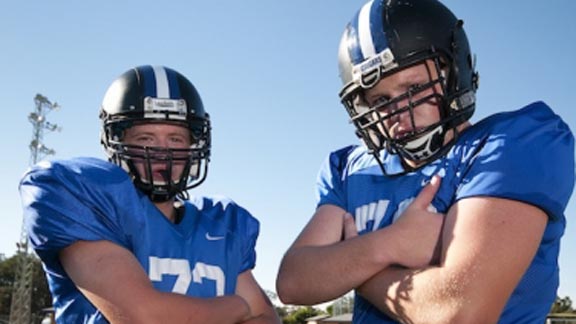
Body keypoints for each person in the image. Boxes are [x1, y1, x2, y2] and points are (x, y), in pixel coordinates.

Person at [276, 0, 575, 323]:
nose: (399, 111)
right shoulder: (350, 169)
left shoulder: (512, 143)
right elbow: (293, 282)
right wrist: (388, 244)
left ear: (454, 73)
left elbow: (460, 313)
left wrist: (357, 268)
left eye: (414, 87)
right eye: (381, 100)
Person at [20, 65, 281, 324]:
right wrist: (234, 306)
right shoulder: (83, 195)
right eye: (145, 138)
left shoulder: (223, 224)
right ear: (116, 142)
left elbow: (264, 317)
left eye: (176, 139)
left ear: (195, 145)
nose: (161, 152)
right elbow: (146, 318)